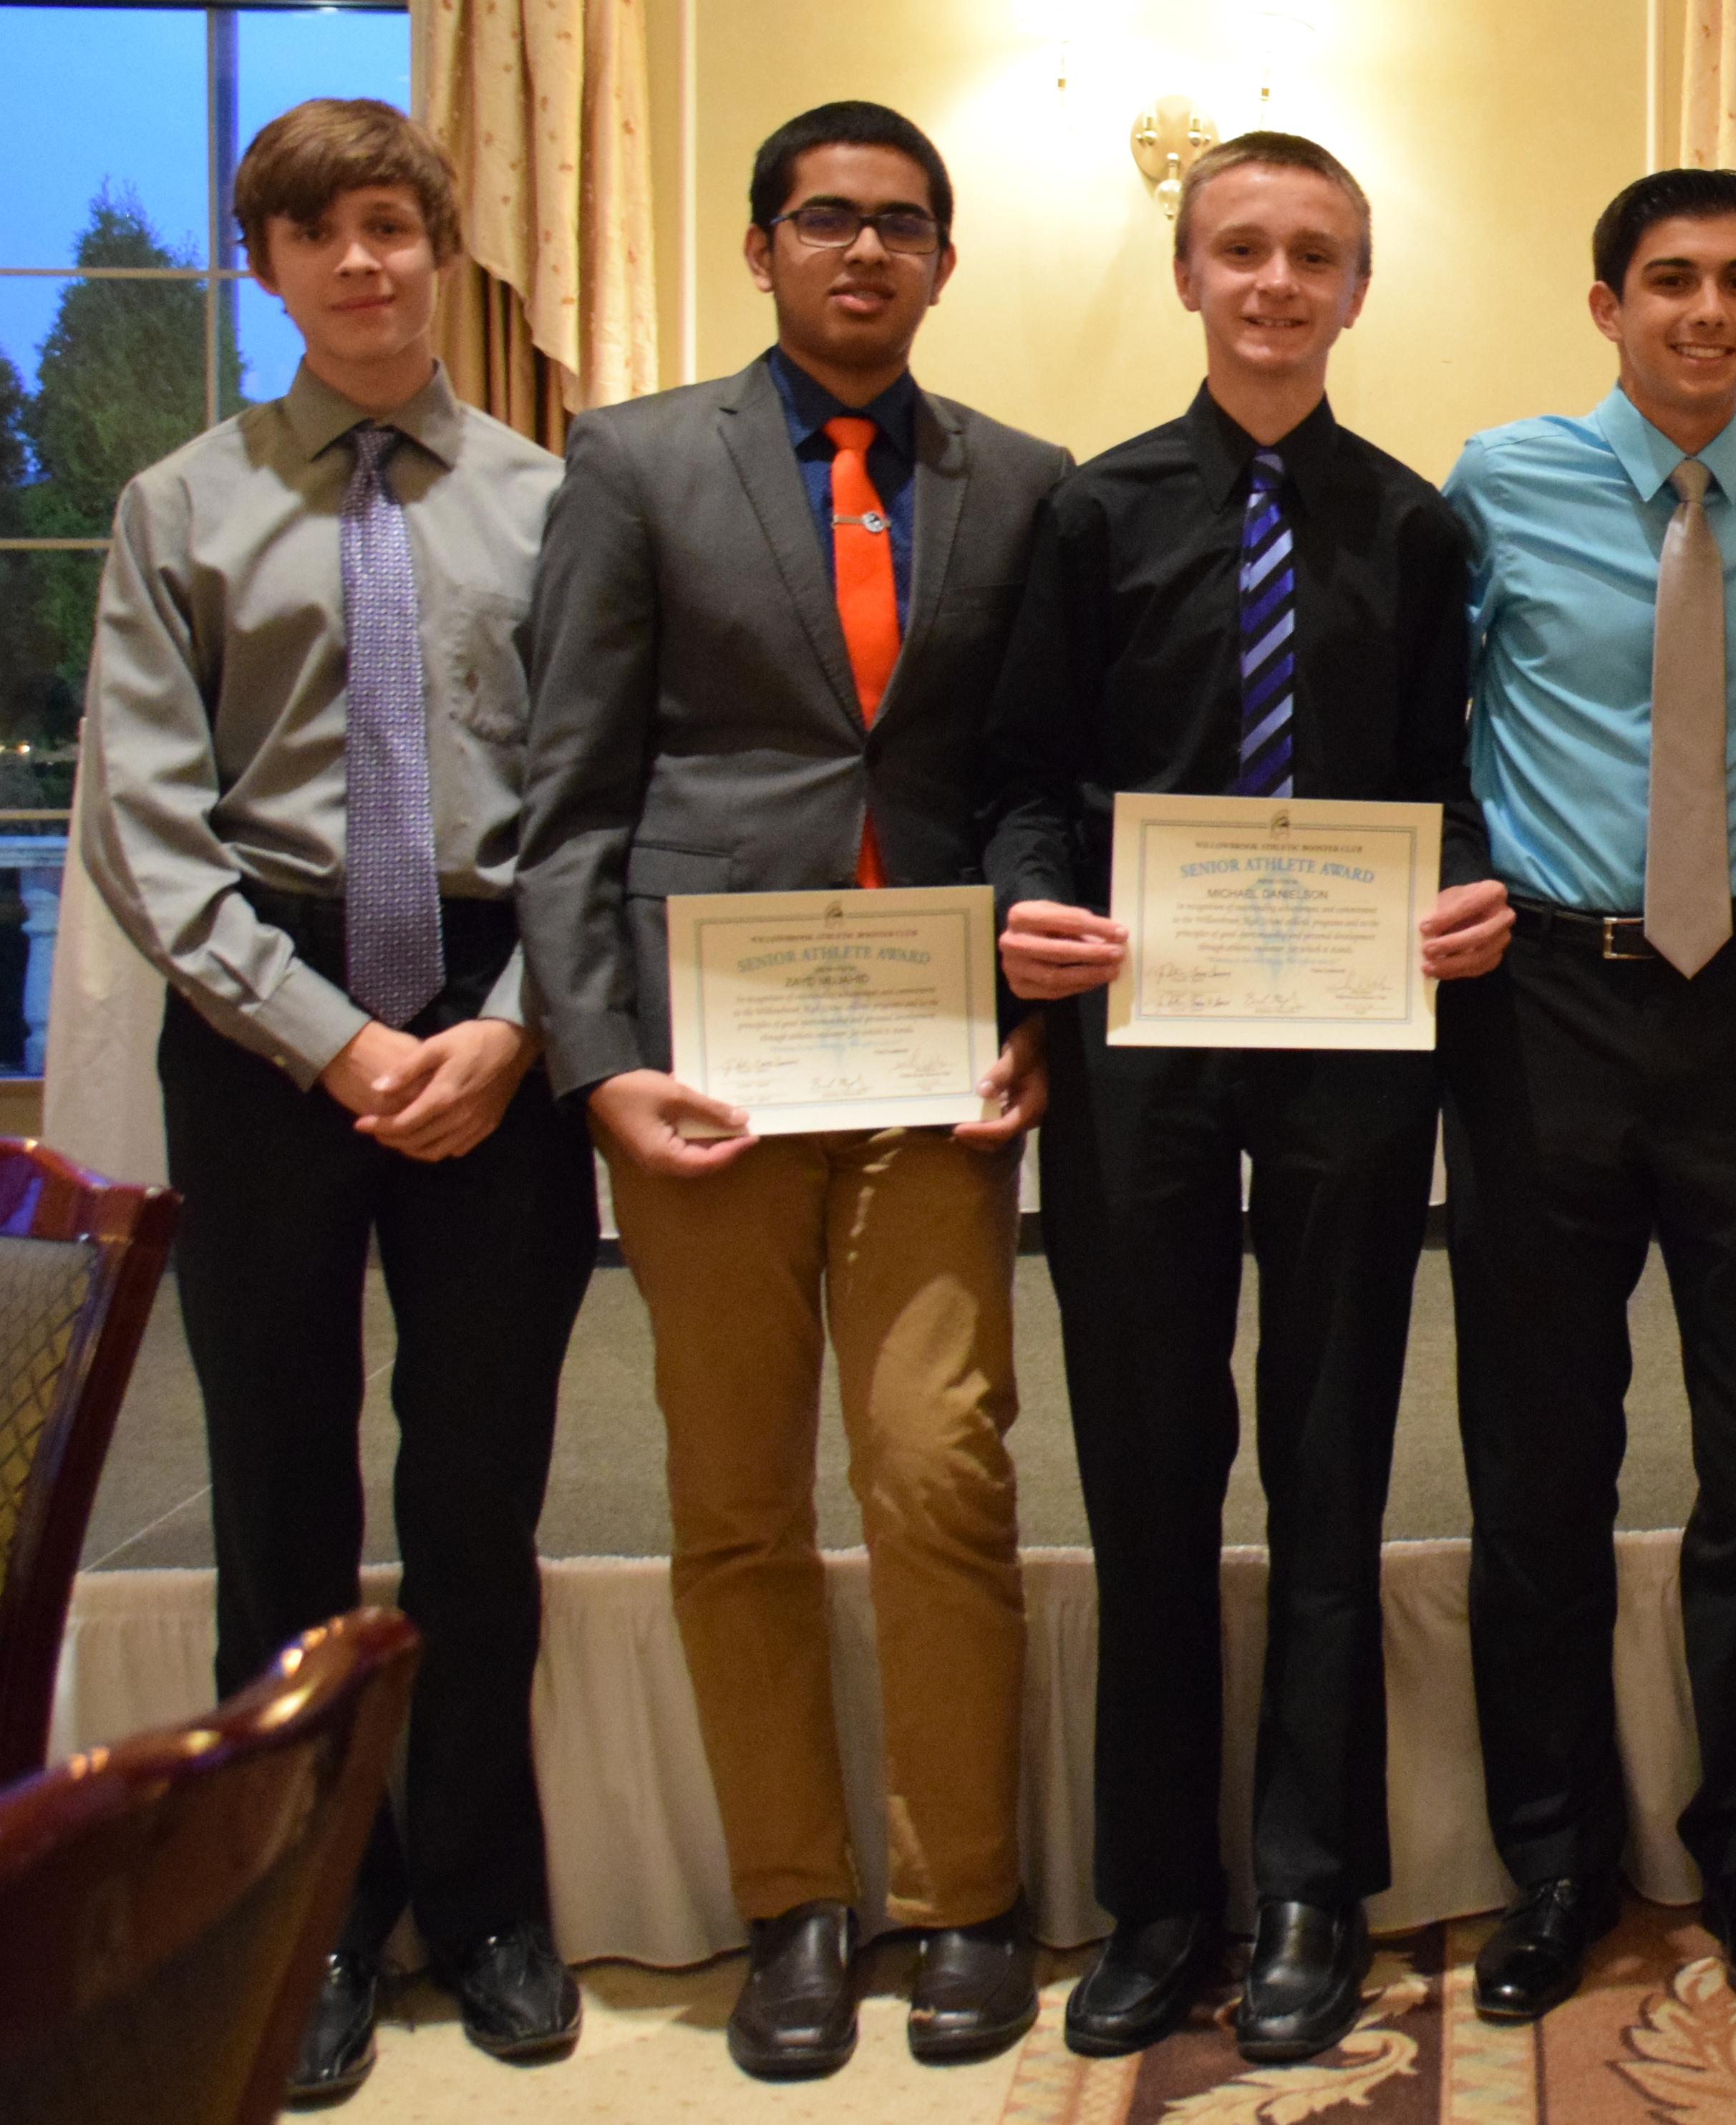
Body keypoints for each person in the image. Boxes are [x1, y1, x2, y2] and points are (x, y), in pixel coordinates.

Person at [518, 100, 1067, 2078]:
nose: (864, 251)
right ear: (761, 248)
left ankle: (962, 1894)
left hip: (933, 1062)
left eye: (901, 224)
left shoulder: (1023, 484)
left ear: (943, 260)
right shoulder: (634, 463)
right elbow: (570, 793)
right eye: (826, 219)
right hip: (710, 1078)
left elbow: (1027, 778)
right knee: (735, 1496)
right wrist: (597, 1064)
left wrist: (1034, 999)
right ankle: (792, 1903)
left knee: (939, 1474)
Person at [77, 97, 593, 2102]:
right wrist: (328, 1037)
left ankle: (487, 1898)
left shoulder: (554, 501)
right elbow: (147, 820)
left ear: (442, 244)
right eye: (318, 236)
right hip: (266, 1030)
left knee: (478, 1494)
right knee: (279, 1494)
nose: (362, 263)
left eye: (392, 225)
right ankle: (303, 1916)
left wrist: (515, 1025)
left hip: (494, 1015)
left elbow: (597, 798)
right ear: (268, 266)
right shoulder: (180, 507)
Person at [981, 130, 1512, 2065]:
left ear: (1357, 289)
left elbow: (1454, 781)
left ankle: (1309, 1884)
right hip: (1142, 1048)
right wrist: (1024, 910)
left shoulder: (1417, 528)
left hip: (1355, 1047)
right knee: (1146, 1464)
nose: (1276, 283)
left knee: (1331, 1459)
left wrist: (1470, 892)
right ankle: (1156, 1889)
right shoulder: (1093, 512)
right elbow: (1023, 772)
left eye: (1313, 255)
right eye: (1243, 251)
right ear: (1189, 275)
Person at [1436, 168, 1736, 2019]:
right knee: (1541, 1454)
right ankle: (1555, 1859)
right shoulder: (1499, 481)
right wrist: (1451, 876)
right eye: (1670, 279)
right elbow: (1425, 708)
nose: (1708, 310)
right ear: (1605, 304)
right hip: (1541, 1001)